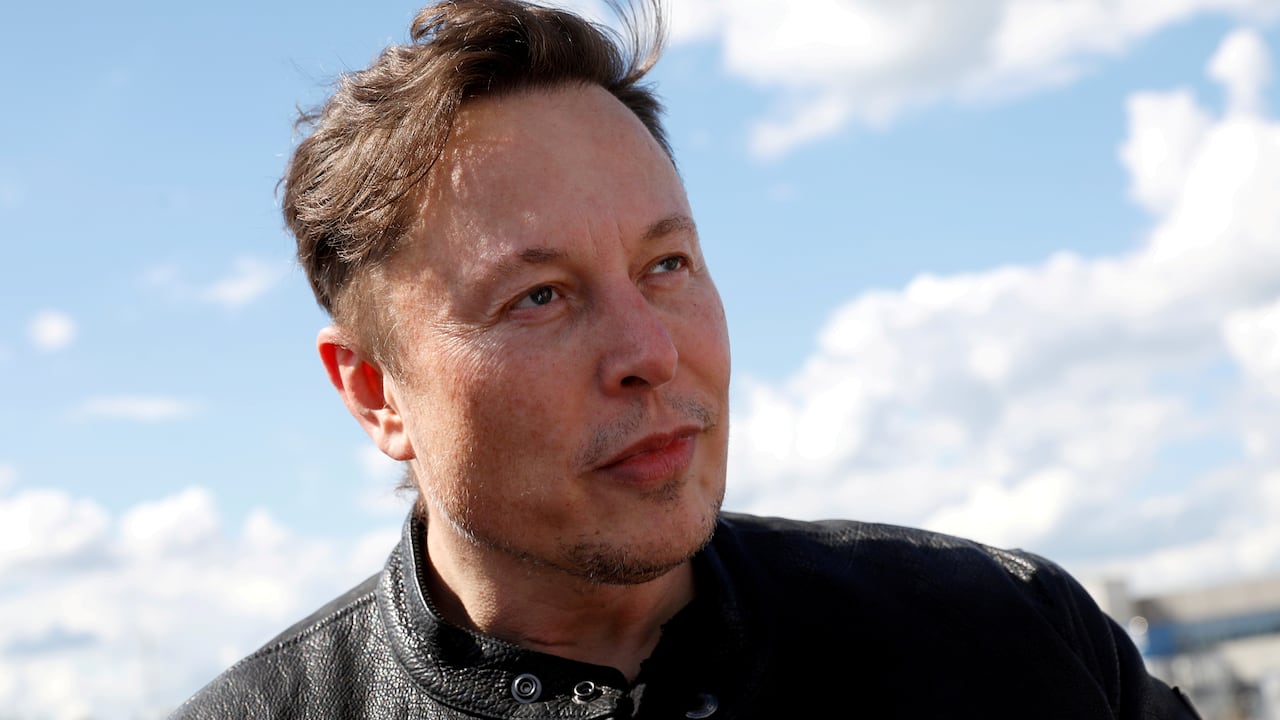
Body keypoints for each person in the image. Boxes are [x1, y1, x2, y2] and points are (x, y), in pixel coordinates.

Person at [172, 0, 1202, 717]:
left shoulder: (1011, 647)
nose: (650, 352)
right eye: (539, 296)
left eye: (665, 264)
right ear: (371, 391)